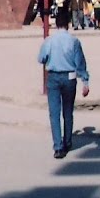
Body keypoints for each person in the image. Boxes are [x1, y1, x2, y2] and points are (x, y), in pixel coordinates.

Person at [37, 17, 90, 159]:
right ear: (68, 25)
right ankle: (67, 142)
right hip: (70, 78)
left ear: (56, 25)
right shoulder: (74, 41)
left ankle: (58, 147)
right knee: (68, 112)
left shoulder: (49, 40)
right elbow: (80, 63)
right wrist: (85, 82)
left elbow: (41, 58)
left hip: (53, 77)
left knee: (54, 113)